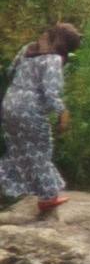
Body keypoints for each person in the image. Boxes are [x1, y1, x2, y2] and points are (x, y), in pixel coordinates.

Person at [0, 25, 57, 222]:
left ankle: (43, 196)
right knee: (41, 148)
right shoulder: (53, 59)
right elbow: (51, 93)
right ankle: (48, 197)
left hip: (10, 103)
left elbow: (10, 71)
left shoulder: (27, 49)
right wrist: (61, 111)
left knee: (17, 150)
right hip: (30, 108)